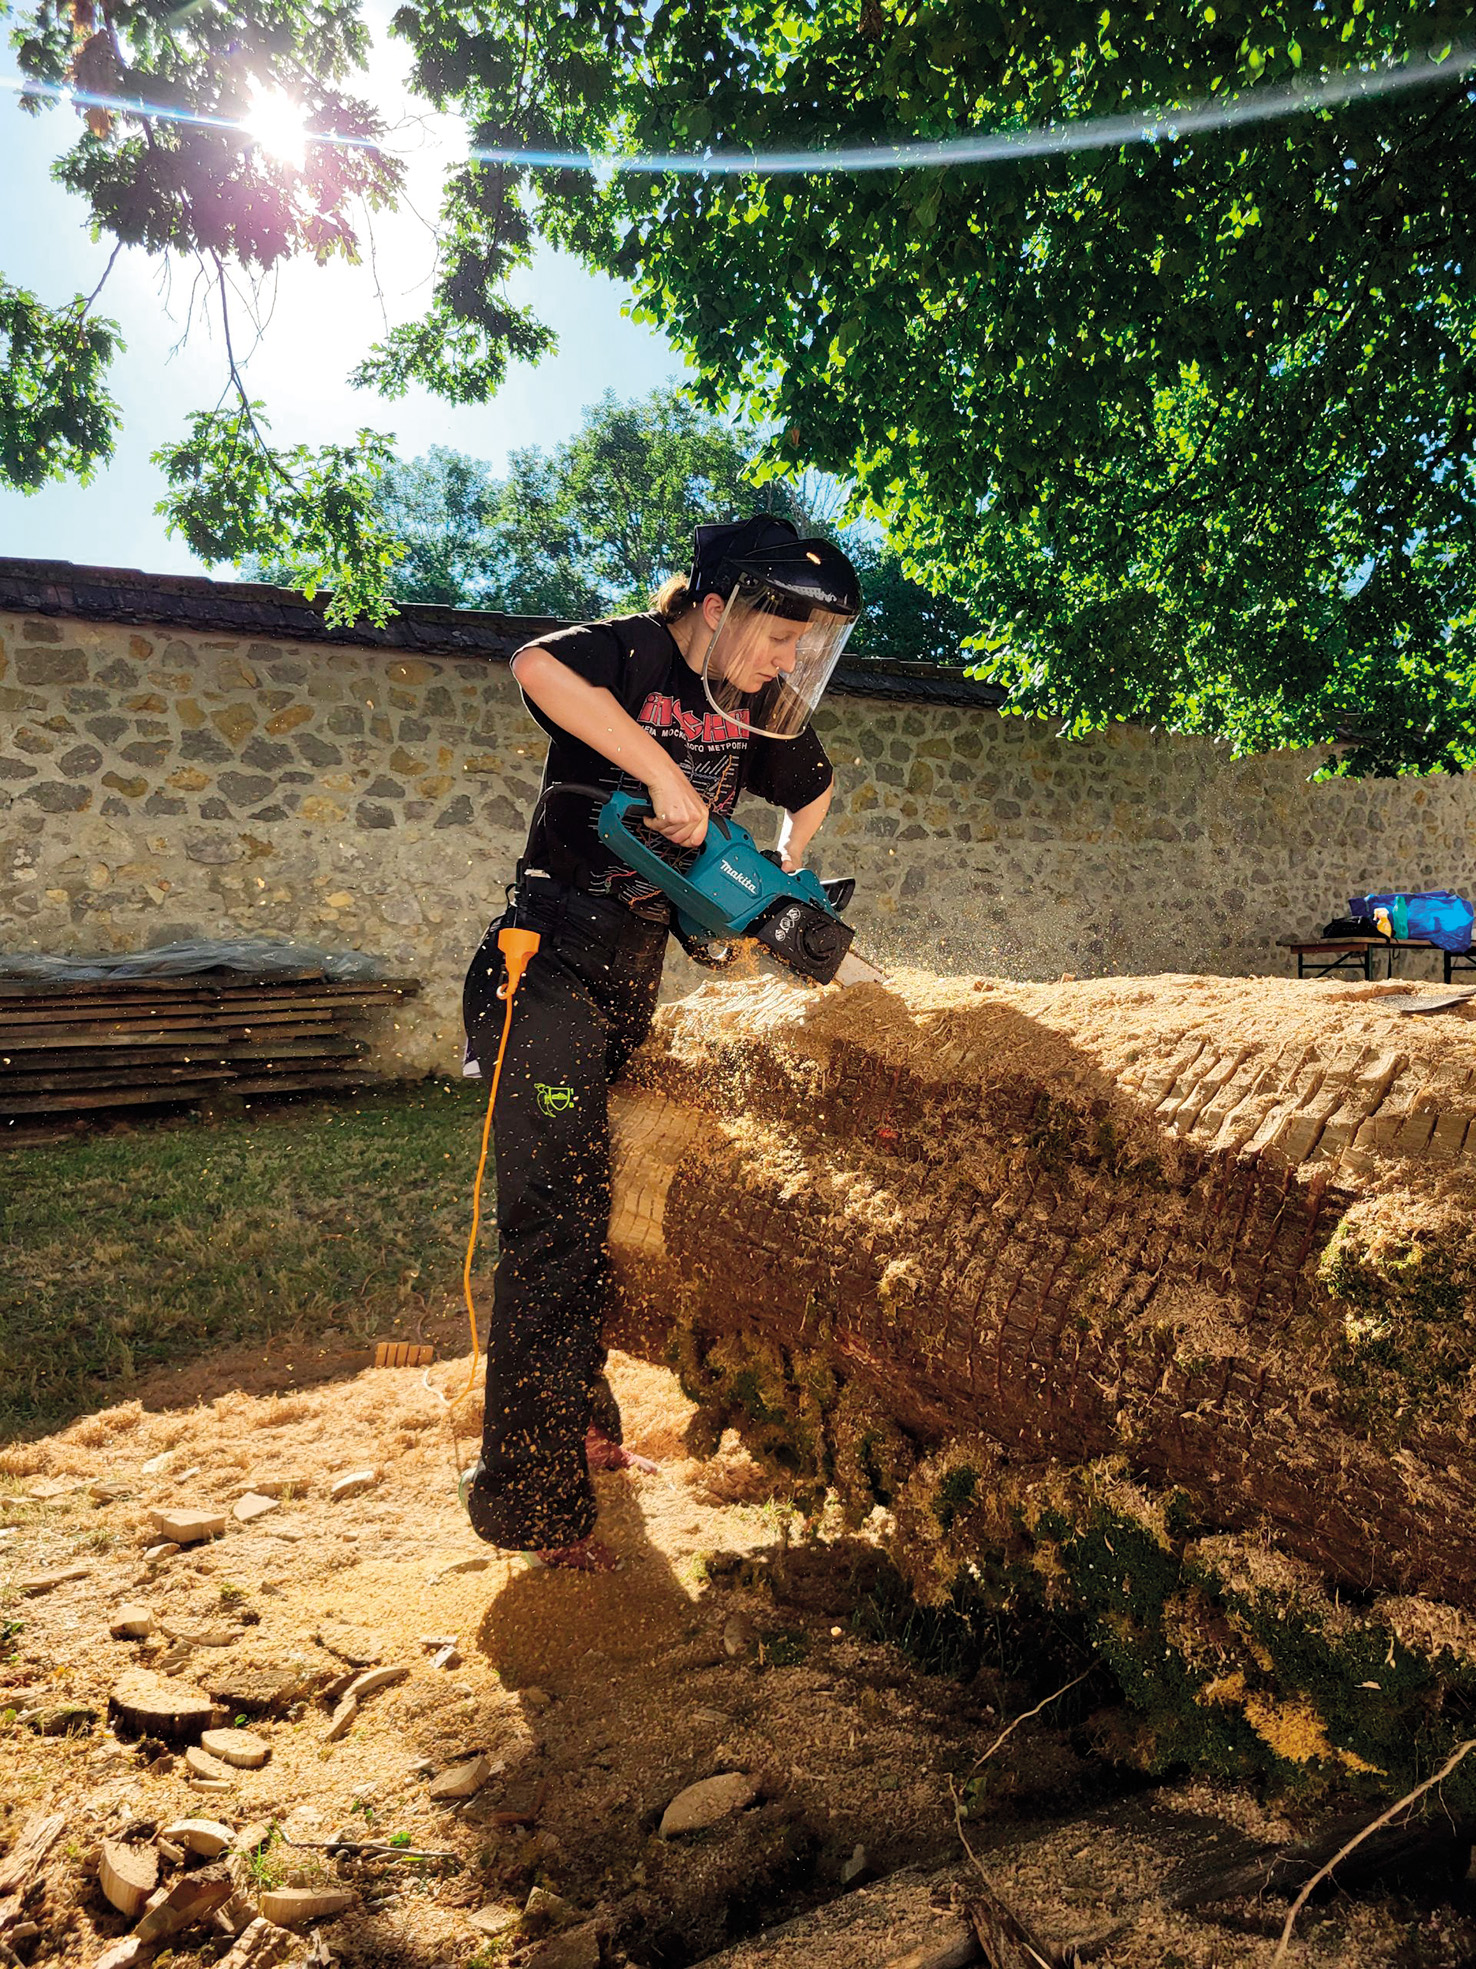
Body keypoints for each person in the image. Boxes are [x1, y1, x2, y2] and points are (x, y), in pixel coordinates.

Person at [459, 513, 863, 1571]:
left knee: (596, 1204)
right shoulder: (636, 654)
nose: (789, 663)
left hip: (631, 973)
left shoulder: (758, 705)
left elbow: (814, 786)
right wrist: (663, 775)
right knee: (552, 1221)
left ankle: (582, 1428)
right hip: (542, 970)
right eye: (781, 636)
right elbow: (536, 665)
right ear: (719, 607)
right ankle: (533, 1506)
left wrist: (786, 862)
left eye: (807, 648)